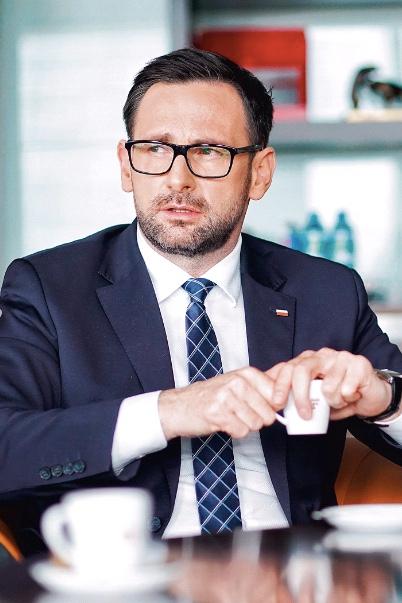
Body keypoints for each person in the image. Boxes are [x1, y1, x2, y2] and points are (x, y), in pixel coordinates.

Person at [0, 48, 401, 556]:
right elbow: (7, 442)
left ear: (260, 173)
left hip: (296, 569)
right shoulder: (49, 287)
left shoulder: (325, 290)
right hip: (125, 574)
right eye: (155, 149)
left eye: (210, 151)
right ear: (126, 165)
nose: (177, 179)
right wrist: (169, 411)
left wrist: (385, 400)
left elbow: (387, 396)